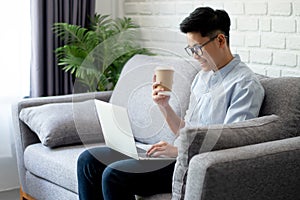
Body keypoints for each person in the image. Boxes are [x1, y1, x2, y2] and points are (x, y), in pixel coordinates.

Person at [77, 7, 265, 200]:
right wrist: (164, 105)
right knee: (88, 161)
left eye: (197, 48)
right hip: (175, 156)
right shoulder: (202, 77)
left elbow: (232, 146)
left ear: (220, 40)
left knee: (114, 175)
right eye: (190, 49)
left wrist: (178, 150)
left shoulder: (245, 85)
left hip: (192, 165)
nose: (194, 55)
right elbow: (186, 130)